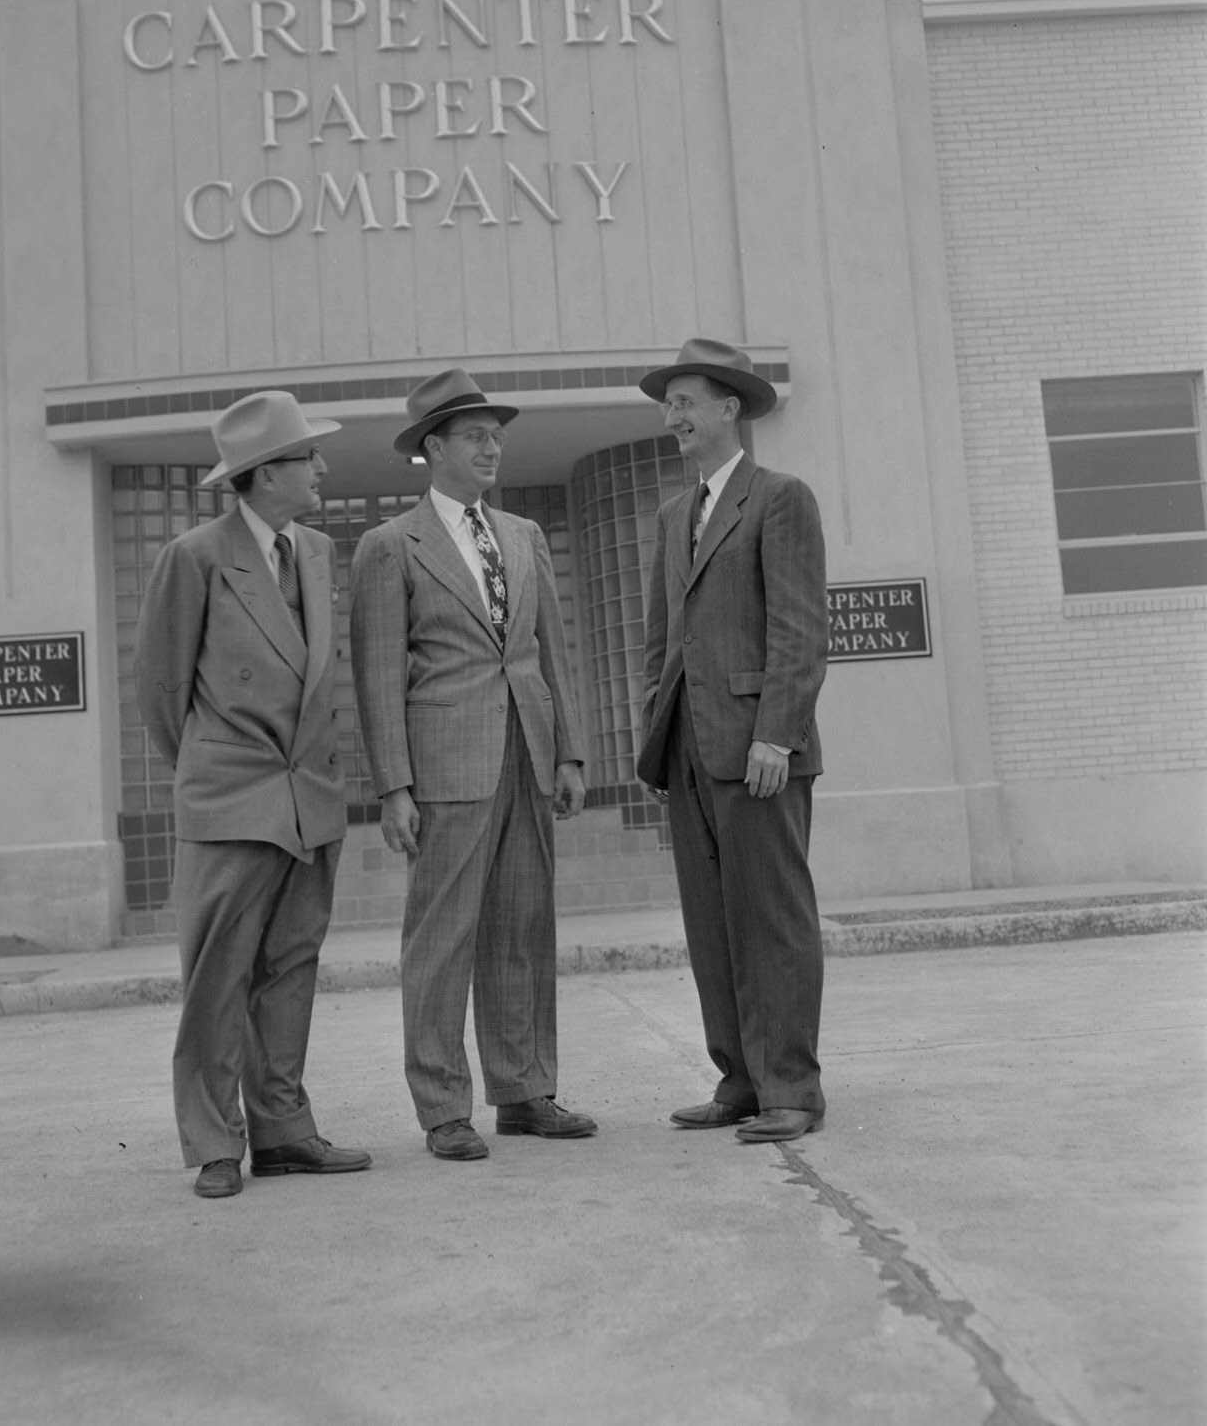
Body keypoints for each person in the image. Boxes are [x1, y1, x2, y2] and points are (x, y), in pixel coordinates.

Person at [349, 369, 596, 1160]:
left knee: (523, 927)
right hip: (446, 762)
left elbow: (552, 651)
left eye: (497, 434)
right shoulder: (390, 546)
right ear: (434, 448)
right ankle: (443, 1107)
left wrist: (571, 750)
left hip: (527, 749)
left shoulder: (522, 535)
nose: (493, 446)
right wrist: (393, 786)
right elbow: (377, 678)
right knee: (442, 938)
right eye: (475, 435)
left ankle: (524, 1090)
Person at [134, 389, 371, 1198]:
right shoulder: (195, 555)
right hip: (232, 797)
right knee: (217, 977)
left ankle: (282, 1129)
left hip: (309, 794)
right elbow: (162, 691)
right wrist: (215, 767)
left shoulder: (314, 550)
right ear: (267, 473)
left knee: (292, 967)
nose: (321, 468)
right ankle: (214, 1143)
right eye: (308, 457)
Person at [635, 339, 829, 1143]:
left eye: (686, 401)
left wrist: (776, 736)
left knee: (771, 918)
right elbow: (660, 642)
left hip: (759, 752)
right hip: (687, 752)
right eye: (667, 403)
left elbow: (800, 629)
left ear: (729, 409)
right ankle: (740, 1079)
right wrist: (656, 726)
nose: (672, 416)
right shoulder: (674, 515)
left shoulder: (780, 499)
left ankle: (792, 1085)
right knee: (711, 923)